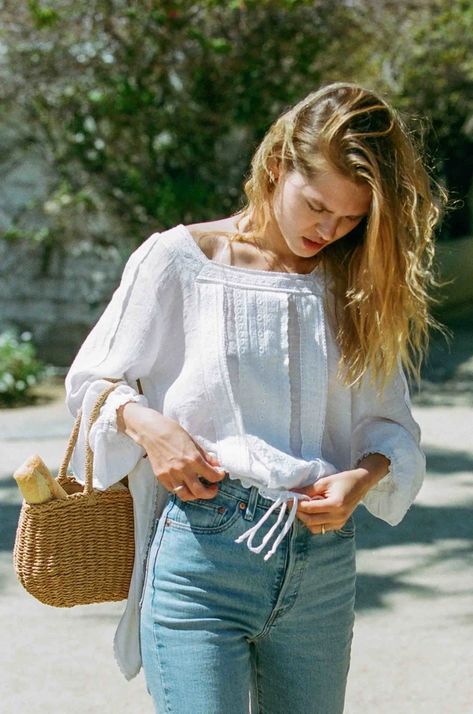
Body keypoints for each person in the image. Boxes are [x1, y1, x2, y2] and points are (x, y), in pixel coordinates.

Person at [64, 81, 445, 713]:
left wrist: (363, 478)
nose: (330, 229)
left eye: (352, 219)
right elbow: (91, 384)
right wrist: (149, 428)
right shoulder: (180, 260)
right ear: (276, 169)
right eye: (318, 205)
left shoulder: (351, 284)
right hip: (202, 554)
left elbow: (390, 428)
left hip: (321, 567)